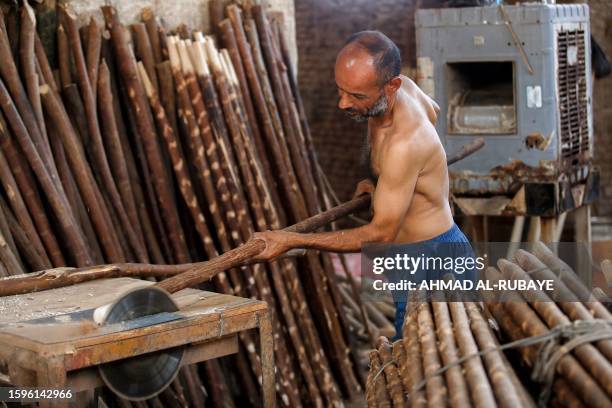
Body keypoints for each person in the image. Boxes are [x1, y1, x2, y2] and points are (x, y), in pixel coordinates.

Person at [253, 31, 476, 338]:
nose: (343, 103)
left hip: (433, 262)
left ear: (391, 86)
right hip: (412, 257)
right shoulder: (404, 89)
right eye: (341, 90)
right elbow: (433, 111)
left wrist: (291, 241)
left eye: (356, 97)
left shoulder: (404, 143)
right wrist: (382, 181)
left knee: (430, 365)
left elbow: (380, 234)